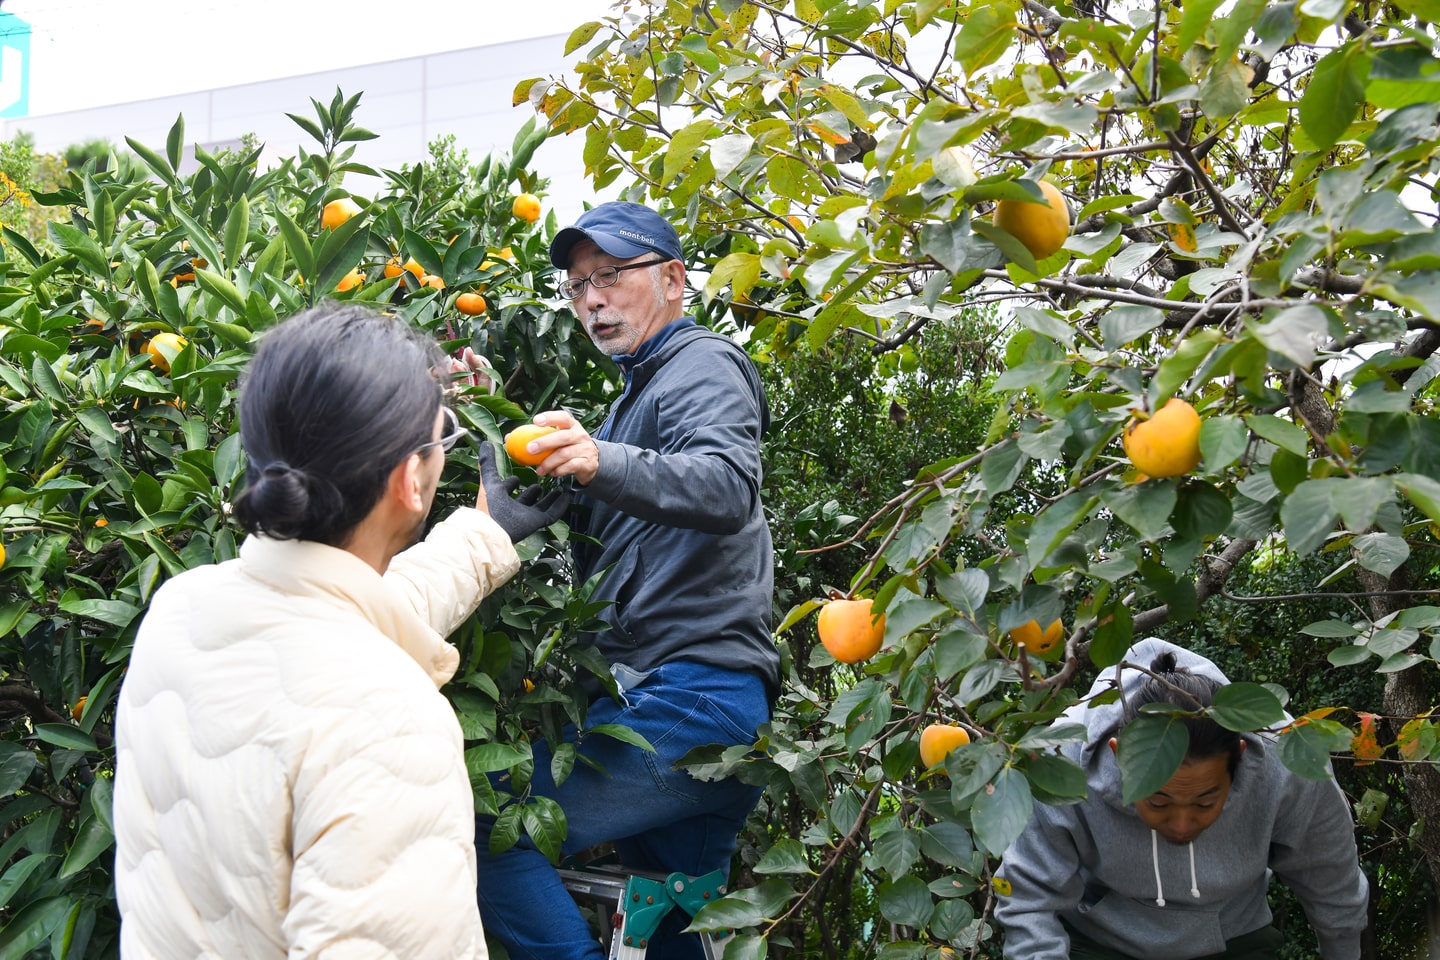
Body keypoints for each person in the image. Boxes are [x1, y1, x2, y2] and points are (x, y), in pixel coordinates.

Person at [113, 304, 567, 959]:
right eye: (443, 437)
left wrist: (484, 533)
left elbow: (342, 614)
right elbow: (349, 655)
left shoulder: (183, 613)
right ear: (411, 479)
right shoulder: (388, 717)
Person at [473, 201, 779, 959]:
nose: (593, 301)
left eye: (611, 276)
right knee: (677, 917)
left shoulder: (699, 363)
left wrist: (600, 462)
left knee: (489, 824)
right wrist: (530, 507)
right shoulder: (633, 399)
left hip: (694, 698)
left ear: (674, 279)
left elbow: (725, 484)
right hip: (704, 705)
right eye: (578, 287)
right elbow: (637, 522)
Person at [995, 637, 1370, 960]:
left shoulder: (1288, 761)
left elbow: (1331, 881)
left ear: (1238, 757)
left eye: (1205, 803)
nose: (1181, 825)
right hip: (1098, 941)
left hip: (1233, 939)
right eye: (1158, 801)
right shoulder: (1059, 762)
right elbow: (1029, 901)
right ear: (1118, 754)